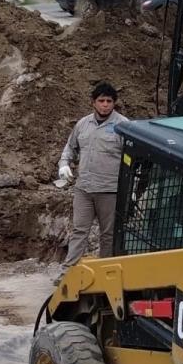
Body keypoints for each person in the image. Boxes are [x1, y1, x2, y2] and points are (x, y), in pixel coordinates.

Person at [57, 81, 129, 273]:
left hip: (109, 190)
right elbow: (70, 148)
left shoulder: (123, 126)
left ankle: (105, 271)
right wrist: (64, 164)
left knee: (108, 234)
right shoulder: (83, 124)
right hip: (84, 189)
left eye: (109, 101)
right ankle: (68, 271)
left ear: (114, 103)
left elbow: (132, 157)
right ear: (93, 102)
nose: (105, 104)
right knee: (80, 230)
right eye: (101, 101)